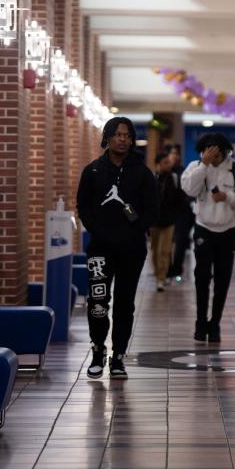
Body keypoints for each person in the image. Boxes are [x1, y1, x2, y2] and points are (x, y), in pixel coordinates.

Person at [76, 117, 158, 379]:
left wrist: (133, 231)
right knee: (98, 302)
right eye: (118, 134)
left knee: (125, 303)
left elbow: (152, 210)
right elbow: (84, 208)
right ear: (108, 137)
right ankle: (98, 350)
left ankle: (119, 357)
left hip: (132, 249)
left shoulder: (142, 174)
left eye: (127, 135)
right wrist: (100, 231)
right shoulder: (93, 171)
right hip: (100, 248)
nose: (123, 139)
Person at [180, 133, 235, 343]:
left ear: (224, 150)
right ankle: (200, 322)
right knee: (202, 277)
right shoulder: (196, 166)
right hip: (203, 228)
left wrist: (227, 197)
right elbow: (189, 188)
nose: (211, 154)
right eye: (206, 150)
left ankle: (216, 323)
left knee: (223, 279)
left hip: (228, 230)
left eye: (215, 150)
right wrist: (203, 165)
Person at [152, 151, 182, 292]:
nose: (168, 165)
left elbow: (180, 199)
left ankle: (161, 279)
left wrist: (176, 215)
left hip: (169, 222)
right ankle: (158, 273)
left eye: (168, 162)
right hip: (154, 222)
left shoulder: (174, 179)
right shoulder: (152, 179)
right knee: (154, 251)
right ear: (158, 165)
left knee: (165, 251)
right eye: (165, 163)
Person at [166, 144, 194, 283]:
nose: (175, 156)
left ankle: (177, 270)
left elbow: (190, 191)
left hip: (183, 213)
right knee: (166, 244)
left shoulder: (184, 171)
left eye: (177, 153)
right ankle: (167, 270)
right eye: (173, 153)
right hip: (167, 213)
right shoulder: (162, 172)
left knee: (181, 243)